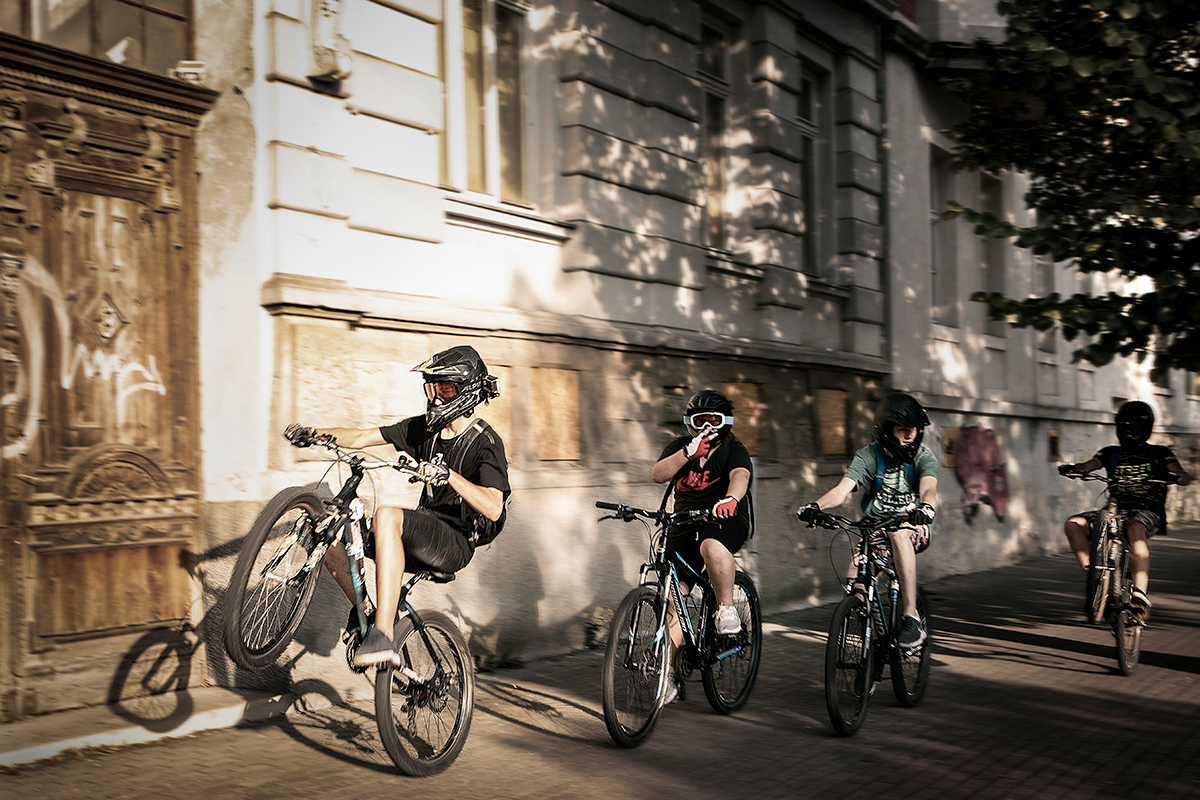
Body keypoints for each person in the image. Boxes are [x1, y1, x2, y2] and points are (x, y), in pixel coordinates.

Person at [287, 344, 510, 667]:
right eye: (432, 389)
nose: (436, 399)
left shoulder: (486, 443)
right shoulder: (426, 430)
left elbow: (493, 507)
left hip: (455, 542)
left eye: (445, 390)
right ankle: (368, 613)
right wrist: (314, 434)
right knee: (327, 533)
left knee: (387, 515)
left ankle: (383, 634)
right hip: (421, 533)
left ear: (468, 391)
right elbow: (362, 437)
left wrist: (448, 475)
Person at [797, 392, 938, 650]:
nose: (910, 435)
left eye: (914, 429)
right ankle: (869, 648)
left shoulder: (923, 455)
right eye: (903, 430)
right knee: (855, 581)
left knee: (899, 533)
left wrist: (926, 508)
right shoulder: (869, 456)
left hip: (914, 525)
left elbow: (929, 488)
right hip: (876, 527)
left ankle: (911, 617)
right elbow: (842, 490)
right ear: (886, 430)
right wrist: (815, 506)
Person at [651, 390, 754, 700]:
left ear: (725, 422)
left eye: (713, 420)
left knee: (711, 546)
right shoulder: (680, 446)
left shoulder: (733, 448)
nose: (706, 427)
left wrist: (731, 498)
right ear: (690, 422)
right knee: (672, 597)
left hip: (725, 517)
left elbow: (740, 475)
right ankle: (669, 675)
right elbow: (657, 474)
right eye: (699, 421)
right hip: (684, 522)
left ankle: (726, 610)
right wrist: (688, 453)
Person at [1057, 400, 1190, 622]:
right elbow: (1089, 465)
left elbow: (1180, 473)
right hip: (1115, 509)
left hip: (1147, 510)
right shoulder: (1110, 453)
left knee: (1135, 530)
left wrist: (1178, 477)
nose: (1128, 432)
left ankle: (1139, 595)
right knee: (1073, 524)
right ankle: (1096, 577)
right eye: (1123, 427)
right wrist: (1075, 468)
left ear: (1145, 428)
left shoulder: (1159, 453)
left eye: (1134, 427)